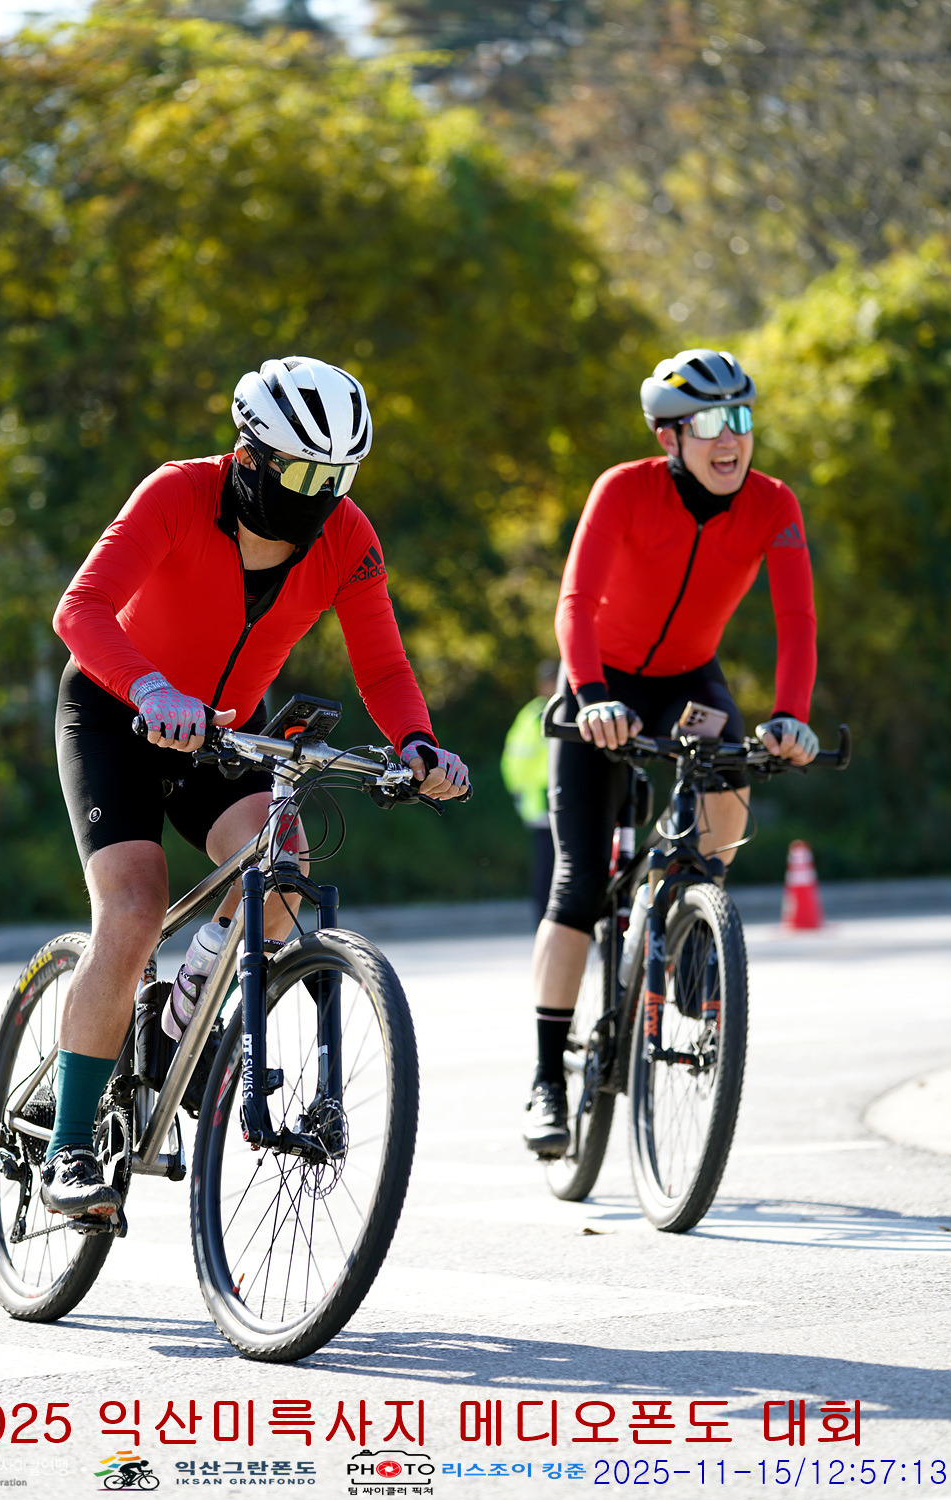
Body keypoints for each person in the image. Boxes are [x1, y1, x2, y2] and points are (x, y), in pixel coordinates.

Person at [44, 355, 469, 1217]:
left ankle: (175, 1026)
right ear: (249, 459)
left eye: (340, 478)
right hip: (118, 710)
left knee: (281, 876)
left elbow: (383, 666)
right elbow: (79, 610)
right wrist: (149, 688)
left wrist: (418, 744)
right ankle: (68, 1147)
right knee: (133, 909)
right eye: (306, 475)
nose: (324, 498)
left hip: (226, 727)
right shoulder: (177, 493)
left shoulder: (348, 536)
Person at [524, 347, 818, 1157]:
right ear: (668, 437)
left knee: (732, 769)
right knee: (578, 885)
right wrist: (590, 697)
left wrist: (790, 718)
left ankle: (693, 923)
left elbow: (796, 623)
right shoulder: (623, 489)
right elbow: (575, 602)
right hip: (603, 682)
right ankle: (547, 1080)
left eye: (741, 419)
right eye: (710, 423)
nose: (731, 439)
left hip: (687, 682)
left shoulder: (773, 504)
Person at [500, 661, 559, 925]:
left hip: (558, 801)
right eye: (551, 681)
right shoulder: (535, 715)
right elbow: (515, 762)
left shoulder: (563, 709)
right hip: (543, 804)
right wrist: (521, 794)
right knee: (548, 869)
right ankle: (545, 923)